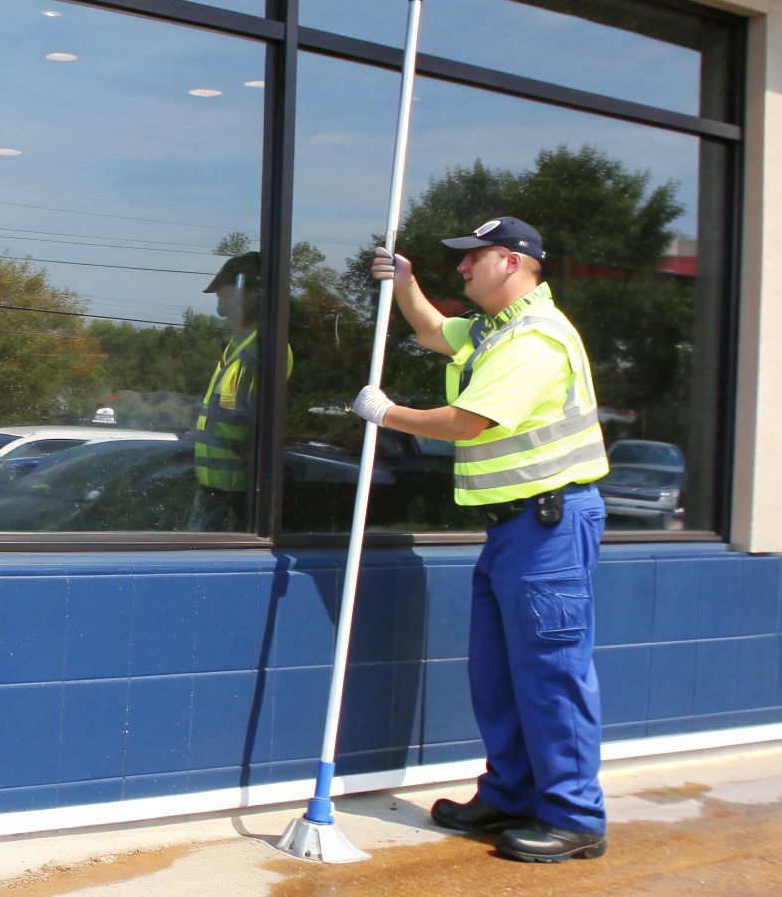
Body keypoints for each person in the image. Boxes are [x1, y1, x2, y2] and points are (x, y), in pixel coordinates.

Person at [353, 216, 611, 863]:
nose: (462, 268)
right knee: (498, 674)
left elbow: (468, 422)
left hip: (547, 528)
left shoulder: (535, 341)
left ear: (514, 262)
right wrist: (407, 284)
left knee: (552, 674)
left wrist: (387, 414)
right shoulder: (497, 332)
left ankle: (575, 818)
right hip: (515, 530)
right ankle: (511, 795)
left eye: (474, 258)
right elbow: (433, 330)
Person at [189, 251, 290, 532]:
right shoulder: (236, 350)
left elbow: (268, 431)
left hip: (241, 504)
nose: (217, 293)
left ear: (253, 291)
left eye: (226, 286)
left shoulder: (265, 352)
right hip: (215, 494)